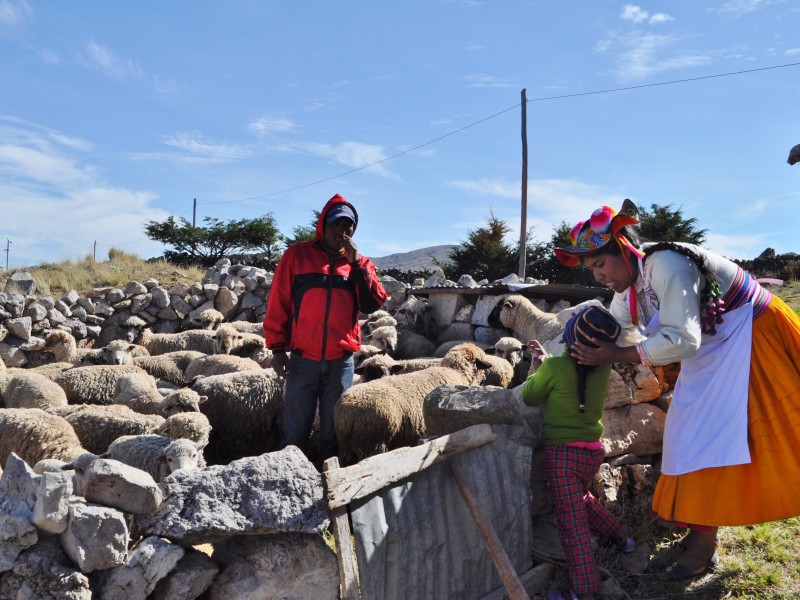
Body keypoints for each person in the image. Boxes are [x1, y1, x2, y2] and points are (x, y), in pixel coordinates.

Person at [553, 198, 800, 581]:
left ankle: (701, 547)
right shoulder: (631, 285)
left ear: (624, 249)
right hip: (715, 347)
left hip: (751, 336)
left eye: (600, 264)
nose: (597, 276)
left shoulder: (665, 265)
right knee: (690, 436)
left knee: (736, 437)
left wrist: (615, 354)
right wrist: (565, 353)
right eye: (591, 270)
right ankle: (702, 536)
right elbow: (616, 323)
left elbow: (683, 339)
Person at [263, 193, 387, 468]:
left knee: (333, 432)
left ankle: (326, 486)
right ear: (323, 225)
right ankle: (291, 478)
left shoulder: (362, 264)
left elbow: (372, 303)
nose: (341, 232)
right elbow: (279, 302)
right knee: (296, 431)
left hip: (340, 362)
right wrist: (277, 349)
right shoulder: (297, 255)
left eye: (348, 227)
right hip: (302, 358)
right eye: (335, 225)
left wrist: (356, 265)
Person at [522, 305, 636, 600]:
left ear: (569, 337)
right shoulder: (602, 368)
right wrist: (546, 362)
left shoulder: (554, 368)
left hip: (562, 457)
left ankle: (584, 591)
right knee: (582, 500)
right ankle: (622, 537)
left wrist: (539, 367)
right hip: (592, 453)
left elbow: (530, 395)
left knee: (572, 526)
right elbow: (575, 381)